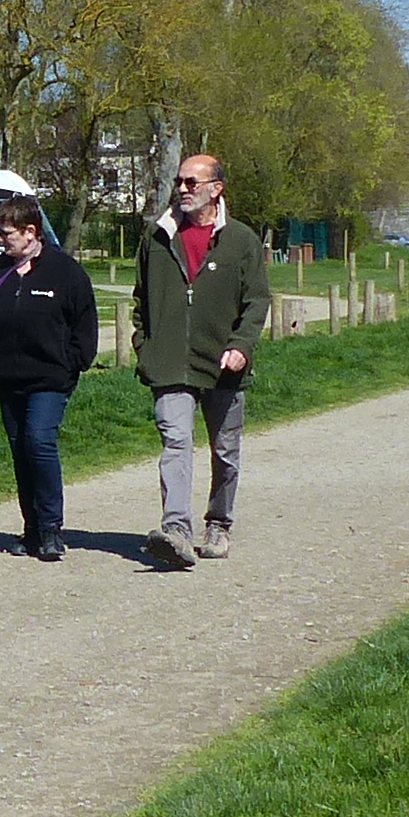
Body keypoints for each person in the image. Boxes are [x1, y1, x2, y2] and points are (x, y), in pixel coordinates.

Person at [132, 151, 271, 568]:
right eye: (180, 181)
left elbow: (257, 301)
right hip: (170, 363)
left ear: (216, 189)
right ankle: (176, 530)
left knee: (224, 450)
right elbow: (141, 300)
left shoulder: (241, 240)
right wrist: (145, 345)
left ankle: (219, 524)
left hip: (223, 365)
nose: (182, 188)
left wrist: (241, 346)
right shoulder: (156, 236)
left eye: (192, 182)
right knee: (175, 443)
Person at [0, 193, 98, 561]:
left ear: (30, 232)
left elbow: (84, 325)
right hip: (7, 380)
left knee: (39, 441)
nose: (1, 239)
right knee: (21, 450)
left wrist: (73, 362)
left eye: (7, 233)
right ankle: (32, 529)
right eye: (0, 232)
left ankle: (52, 528)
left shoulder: (65, 272)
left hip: (50, 379)